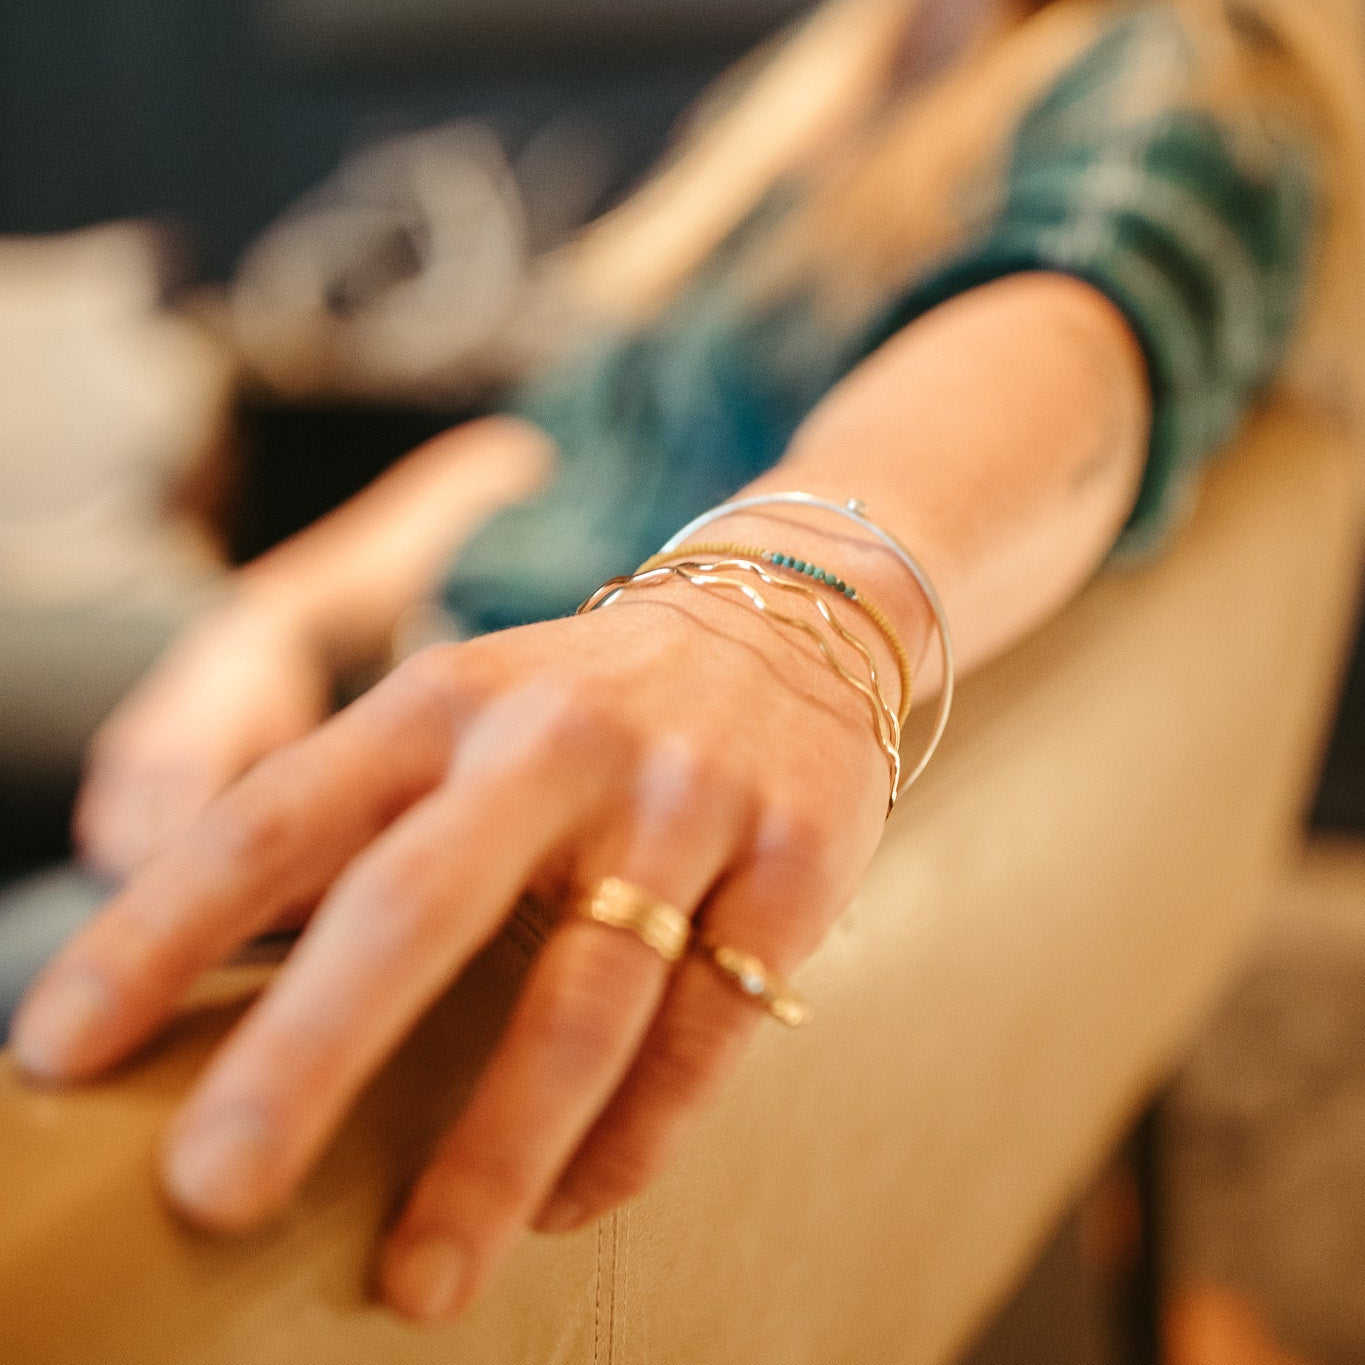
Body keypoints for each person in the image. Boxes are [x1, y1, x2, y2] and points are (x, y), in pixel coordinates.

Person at [10, 0, 1363, 1327]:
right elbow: (548, 439)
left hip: (510, 703)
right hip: (437, 637)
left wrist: (772, 618)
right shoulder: (858, 69)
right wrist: (270, 620)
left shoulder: (1182, 62)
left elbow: (1074, 322)